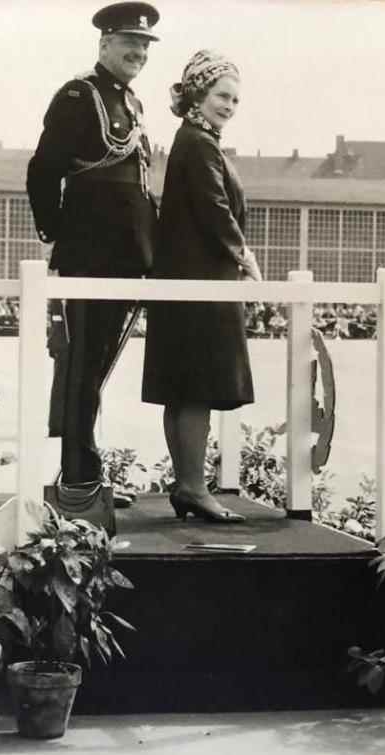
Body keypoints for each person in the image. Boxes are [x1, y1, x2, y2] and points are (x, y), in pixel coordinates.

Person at [27, 2, 159, 488]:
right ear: (105, 43)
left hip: (131, 254)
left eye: (144, 45)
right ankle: (80, 476)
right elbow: (43, 170)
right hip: (92, 252)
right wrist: (57, 234)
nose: (138, 52)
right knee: (83, 361)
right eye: (130, 42)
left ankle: (86, 466)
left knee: (101, 361)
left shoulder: (133, 104)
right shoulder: (79, 96)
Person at [142, 49, 261, 523]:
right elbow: (215, 209)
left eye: (235, 98)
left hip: (189, 280)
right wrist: (245, 255)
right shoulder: (198, 143)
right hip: (202, 282)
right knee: (196, 388)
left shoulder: (193, 139)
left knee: (183, 388)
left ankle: (189, 485)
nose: (229, 105)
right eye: (221, 95)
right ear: (198, 94)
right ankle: (193, 487)